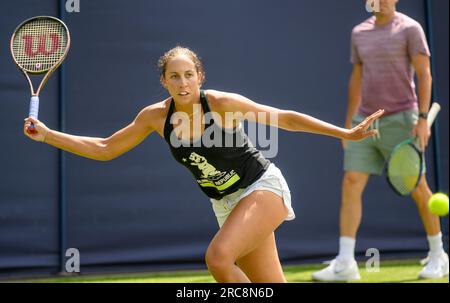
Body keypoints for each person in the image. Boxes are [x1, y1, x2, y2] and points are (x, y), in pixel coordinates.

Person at [24, 46, 383, 283]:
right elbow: (105, 148)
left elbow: (286, 118)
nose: (183, 82)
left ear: (200, 76)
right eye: (174, 76)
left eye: (189, 74)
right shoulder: (153, 118)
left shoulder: (223, 103)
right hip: (225, 205)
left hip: (262, 188)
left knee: (218, 258)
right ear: (164, 81)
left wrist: (345, 133)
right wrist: (47, 135)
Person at [312, 0, 449, 281]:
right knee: (351, 181)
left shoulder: (411, 29)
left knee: (417, 186)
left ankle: (439, 255)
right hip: (366, 118)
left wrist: (422, 118)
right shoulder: (359, 33)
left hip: (403, 117)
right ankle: (346, 262)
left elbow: (424, 74)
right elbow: (357, 78)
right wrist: (349, 122)